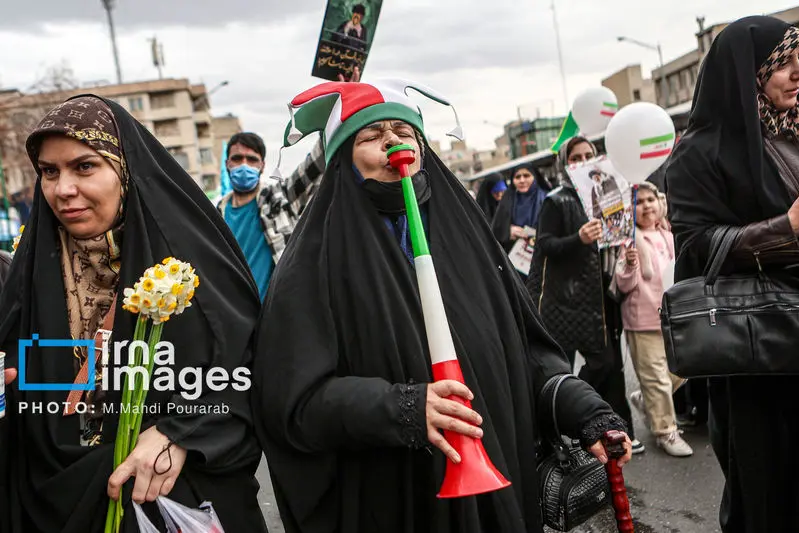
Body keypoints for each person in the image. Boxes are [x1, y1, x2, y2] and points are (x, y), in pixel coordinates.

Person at [252, 79, 632, 533]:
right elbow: (293, 401)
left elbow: (525, 350)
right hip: (398, 500)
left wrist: (584, 410)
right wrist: (403, 408)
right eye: (371, 136)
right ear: (343, 163)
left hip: (497, 486)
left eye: (403, 132)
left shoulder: (469, 237)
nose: (392, 141)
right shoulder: (313, 265)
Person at [0, 95, 268, 532]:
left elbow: (252, 371)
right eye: (49, 171)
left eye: (84, 166)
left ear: (124, 168)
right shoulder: (30, 273)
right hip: (55, 503)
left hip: (172, 500)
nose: (63, 189)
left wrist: (179, 432)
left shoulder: (193, 262)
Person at [666, 16, 799, 532]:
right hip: (760, 357)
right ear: (748, 73)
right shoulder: (699, 153)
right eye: (783, 63)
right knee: (769, 492)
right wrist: (784, 230)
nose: (797, 73)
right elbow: (694, 247)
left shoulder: (793, 131)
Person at [527, 135, 640, 454]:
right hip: (563, 299)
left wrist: (625, 250)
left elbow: (613, 239)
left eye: (589, 155)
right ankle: (562, 427)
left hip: (597, 298)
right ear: (565, 163)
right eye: (575, 157)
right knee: (557, 365)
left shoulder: (608, 193)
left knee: (604, 362)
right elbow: (545, 245)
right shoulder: (557, 200)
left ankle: (586, 416)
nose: (584, 162)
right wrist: (578, 238)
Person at [615, 182, 692, 457]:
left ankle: (647, 399)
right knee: (657, 380)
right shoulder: (628, 242)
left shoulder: (669, 236)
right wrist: (630, 264)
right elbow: (623, 284)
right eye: (639, 201)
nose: (646, 206)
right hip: (643, 320)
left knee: (683, 370)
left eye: (651, 199)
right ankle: (666, 431)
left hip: (674, 317)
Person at [217, 131, 324, 301]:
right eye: (237, 158)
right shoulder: (217, 214)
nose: (244, 165)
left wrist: (330, 126)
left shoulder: (278, 198)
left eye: (252, 159)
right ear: (227, 164)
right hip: (234, 311)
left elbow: (316, 163)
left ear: (262, 166)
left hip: (277, 308)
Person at [491, 164, 550, 252]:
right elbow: (496, 229)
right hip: (514, 253)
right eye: (517, 177)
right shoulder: (508, 199)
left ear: (534, 177)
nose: (522, 180)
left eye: (526, 176)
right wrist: (508, 231)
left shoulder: (546, 198)